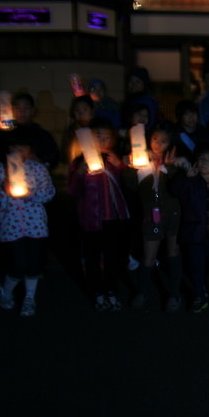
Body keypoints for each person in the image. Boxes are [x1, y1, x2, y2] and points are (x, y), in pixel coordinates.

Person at [0, 129, 56, 317]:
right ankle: (5, 292)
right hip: (11, 225)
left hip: (36, 226)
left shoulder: (38, 169)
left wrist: (30, 193)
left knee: (33, 265)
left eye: (22, 146)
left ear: (30, 149)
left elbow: (49, 193)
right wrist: (1, 188)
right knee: (18, 265)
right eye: (13, 146)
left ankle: (29, 298)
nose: (18, 150)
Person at [67, 117, 131, 311]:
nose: (102, 141)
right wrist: (79, 172)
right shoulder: (80, 161)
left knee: (113, 256)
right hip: (91, 218)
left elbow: (126, 186)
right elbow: (72, 191)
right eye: (98, 137)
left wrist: (120, 165)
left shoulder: (114, 159)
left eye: (106, 137)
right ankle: (97, 292)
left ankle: (111, 290)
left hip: (113, 216)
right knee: (92, 257)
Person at [124, 121, 185, 311]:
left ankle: (174, 294)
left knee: (173, 252)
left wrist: (171, 167)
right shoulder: (140, 160)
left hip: (173, 212)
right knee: (149, 254)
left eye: (164, 141)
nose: (158, 143)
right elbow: (132, 187)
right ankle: (141, 292)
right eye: (155, 139)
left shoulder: (176, 160)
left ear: (171, 144)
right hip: (151, 214)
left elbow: (178, 188)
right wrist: (130, 168)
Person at [171, 145, 209, 313]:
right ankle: (199, 296)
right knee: (196, 268)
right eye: (202, 159)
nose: (205, 163)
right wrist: (185, 177)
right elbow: (175, 191)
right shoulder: (190, 181)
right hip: (193, 233)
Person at [0, 92, 60, 170]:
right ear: (12, 110)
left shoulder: (41, 135)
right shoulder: (4, 133)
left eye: (26, 108)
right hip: (8, 177)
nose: (22, 112)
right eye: (18, 108)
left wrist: (36, 159)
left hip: (34, 178)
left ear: (33, 110)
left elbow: (52, 159)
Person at [60, 95, 95, 165]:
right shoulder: (71, 131)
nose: (81, 113)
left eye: (85, 109)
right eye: (77, 110)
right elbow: (66, 155)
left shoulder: (98, 128)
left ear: (92, 111)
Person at [172, 99, 208, 165]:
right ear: (180, 117)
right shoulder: (174, 133)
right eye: (187, 114)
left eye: (193, 113)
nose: (191, 117)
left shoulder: (202, 131)